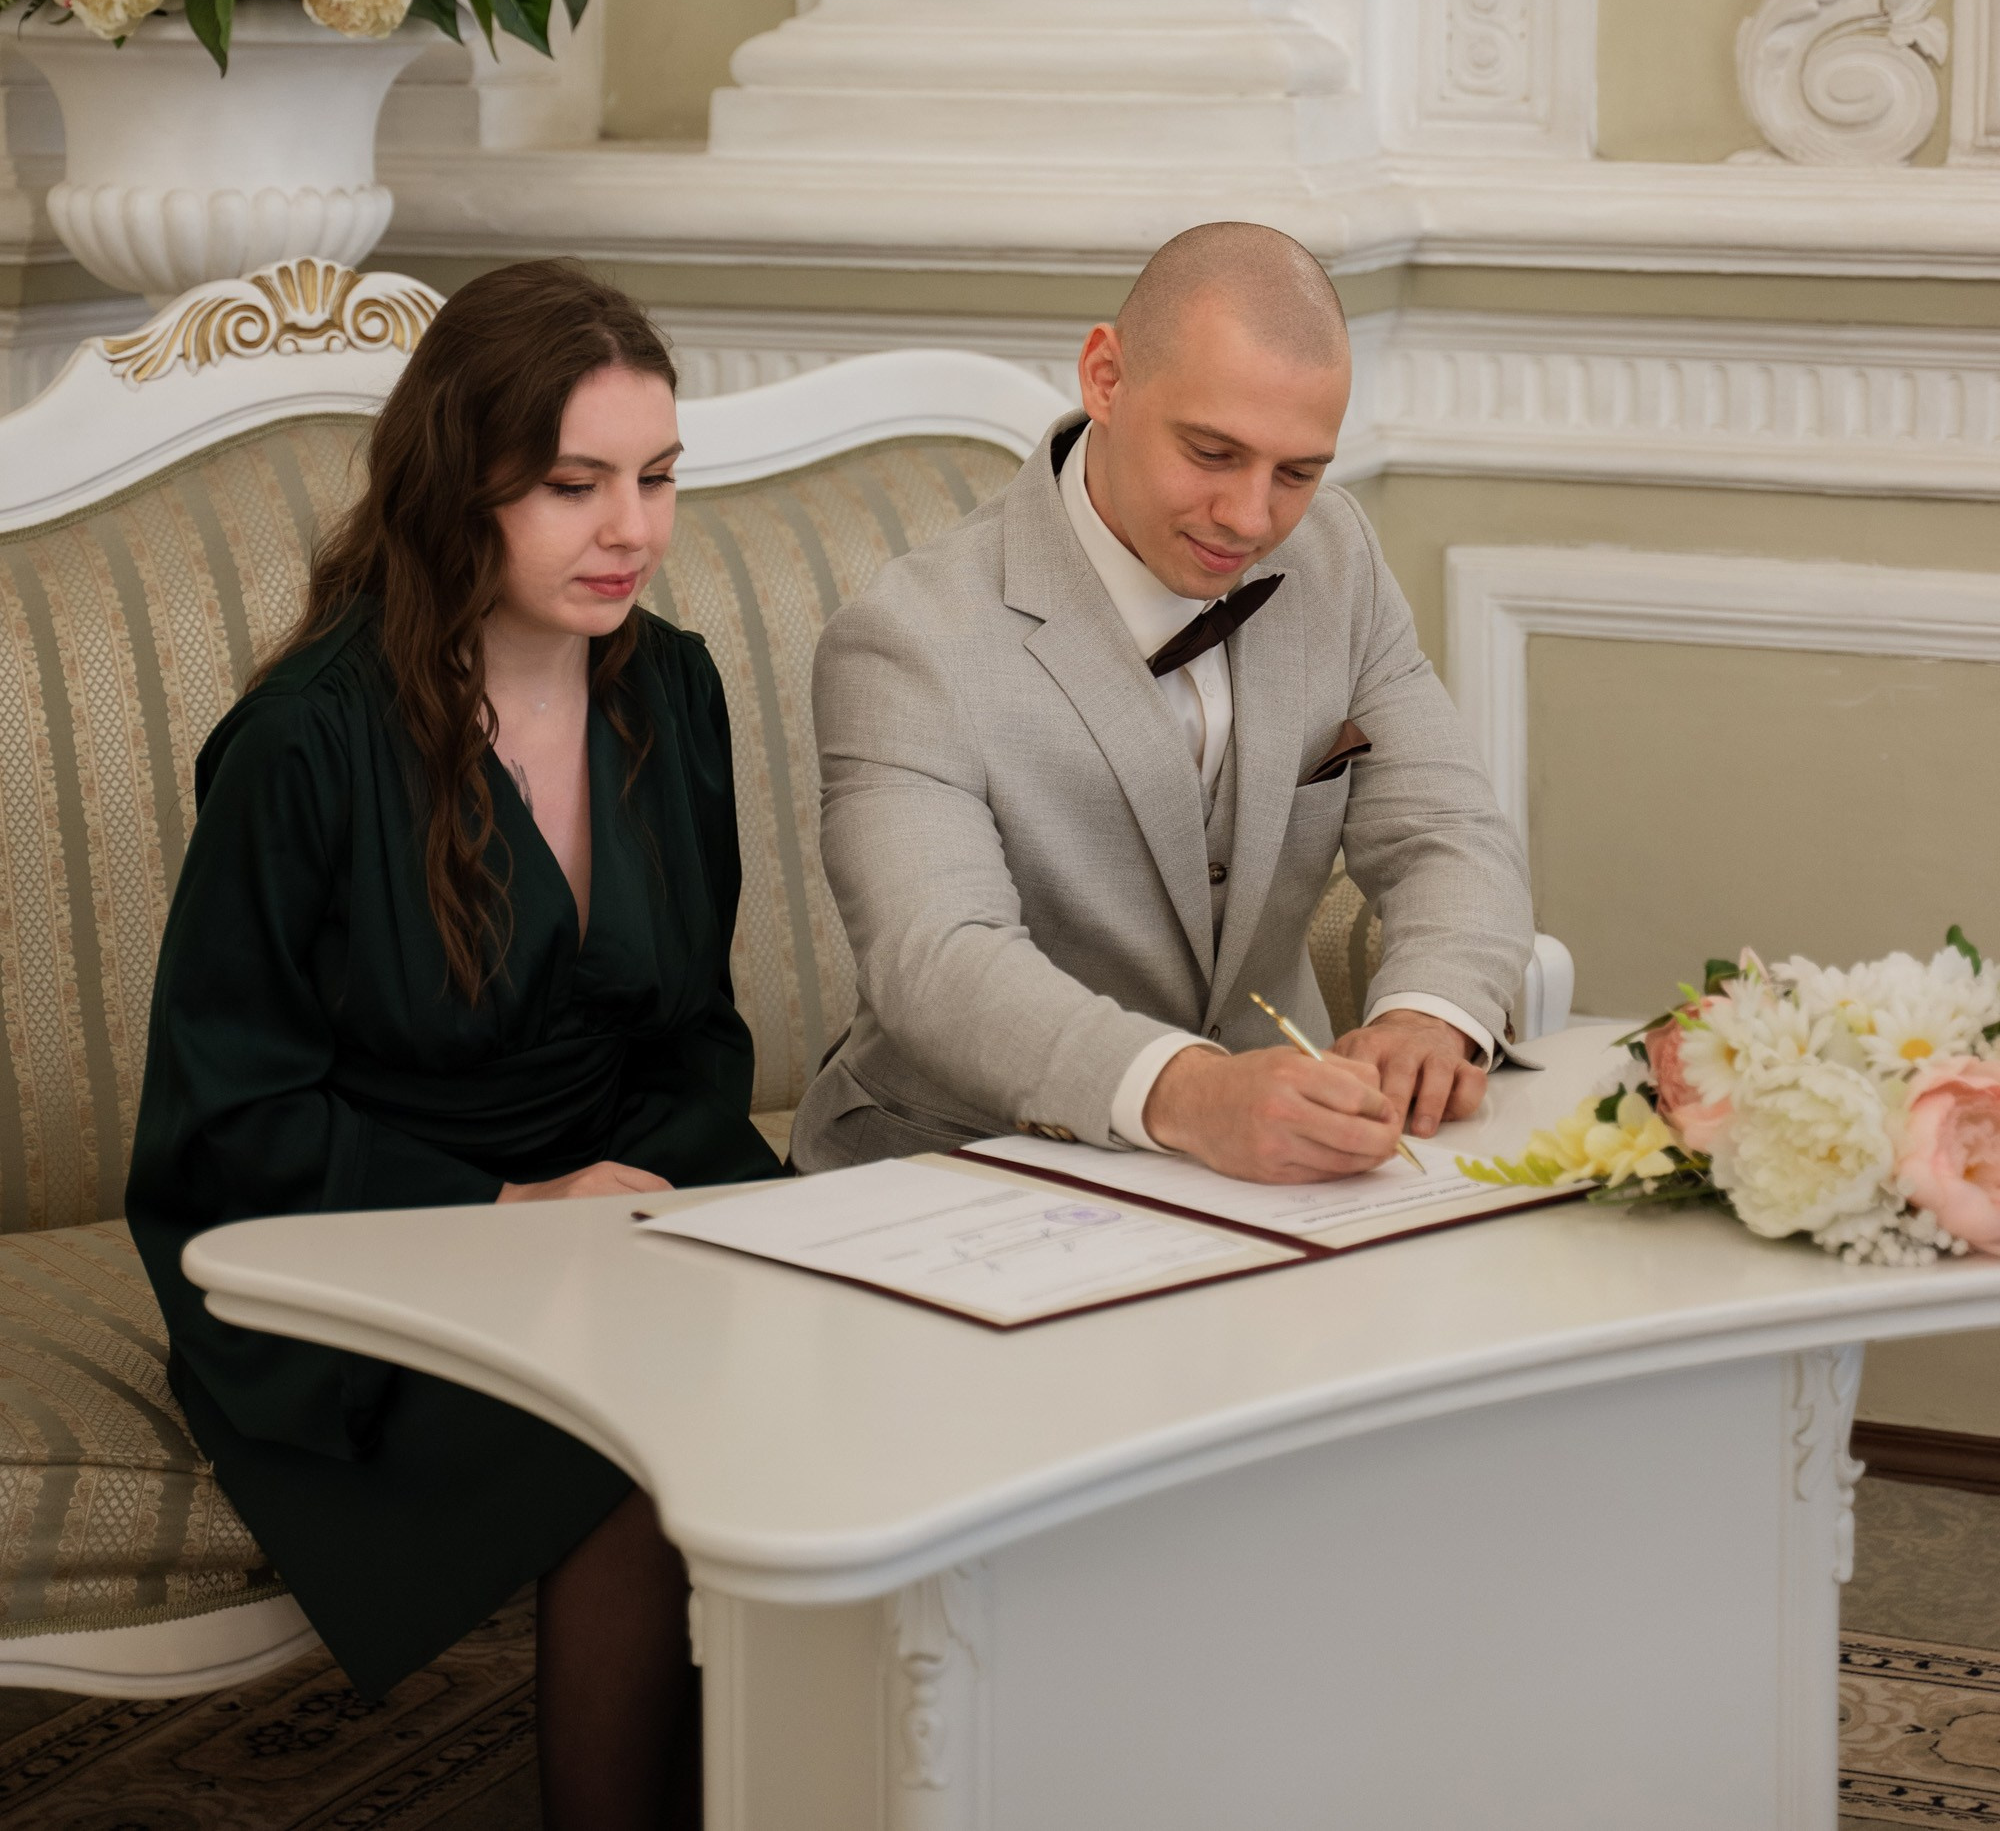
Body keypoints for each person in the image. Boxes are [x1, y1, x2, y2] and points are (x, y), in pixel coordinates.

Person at [127, 259, 782, 1831]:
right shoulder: (309, 748)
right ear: (460, 485)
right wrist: (509, 1219)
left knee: (852, 1337)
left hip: (618, 1198)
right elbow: (226, 1125)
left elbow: (697, 1032)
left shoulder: (671, 693)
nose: (631, 530)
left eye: (657, 479)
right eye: (574, 487)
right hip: (351, 1244)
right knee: (633, 1450)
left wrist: (693, 1210)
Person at [791, 222, 1533, 1182]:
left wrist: (1431, 1009)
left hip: (1284, 1182)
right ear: (1105, 376)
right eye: (1213, 453)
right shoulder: (906, 640)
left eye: (1297, 472)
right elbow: (939, 961)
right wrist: (1191, 1093)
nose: (1252, 518)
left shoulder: (1335, 558)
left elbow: (1449, 829)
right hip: (967, 1168)